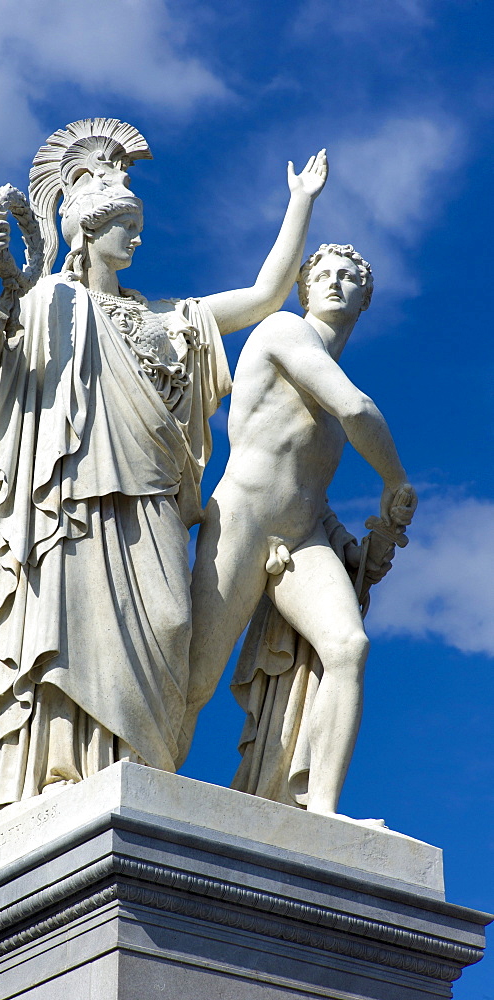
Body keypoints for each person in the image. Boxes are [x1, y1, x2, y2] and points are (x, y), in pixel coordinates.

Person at [0, 119, 328, 820]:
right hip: (70, 502)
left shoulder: (172, 319)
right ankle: (62, 773)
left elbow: (265, 296)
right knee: (67, 630)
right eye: (124, 224)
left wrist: (300, 201)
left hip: (153, 501)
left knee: (167, 623)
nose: (136, 237)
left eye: (136, 223)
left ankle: (139, 771)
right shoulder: (49, 305)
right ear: (87, 232)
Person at [181, 244, 416, 819]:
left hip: (302, 533)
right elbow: (356, 408)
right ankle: (146, 781)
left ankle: (322, 810)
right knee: (195, 679)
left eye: (350, 277)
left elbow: (310, 492)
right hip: (241, 518)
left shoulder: (331, 417)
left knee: (348, 648)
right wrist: (396, 482)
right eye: (324, 275)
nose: (335, 283)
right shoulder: (284, 330)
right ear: (305, 289)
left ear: (365, 297)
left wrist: (353, 544)